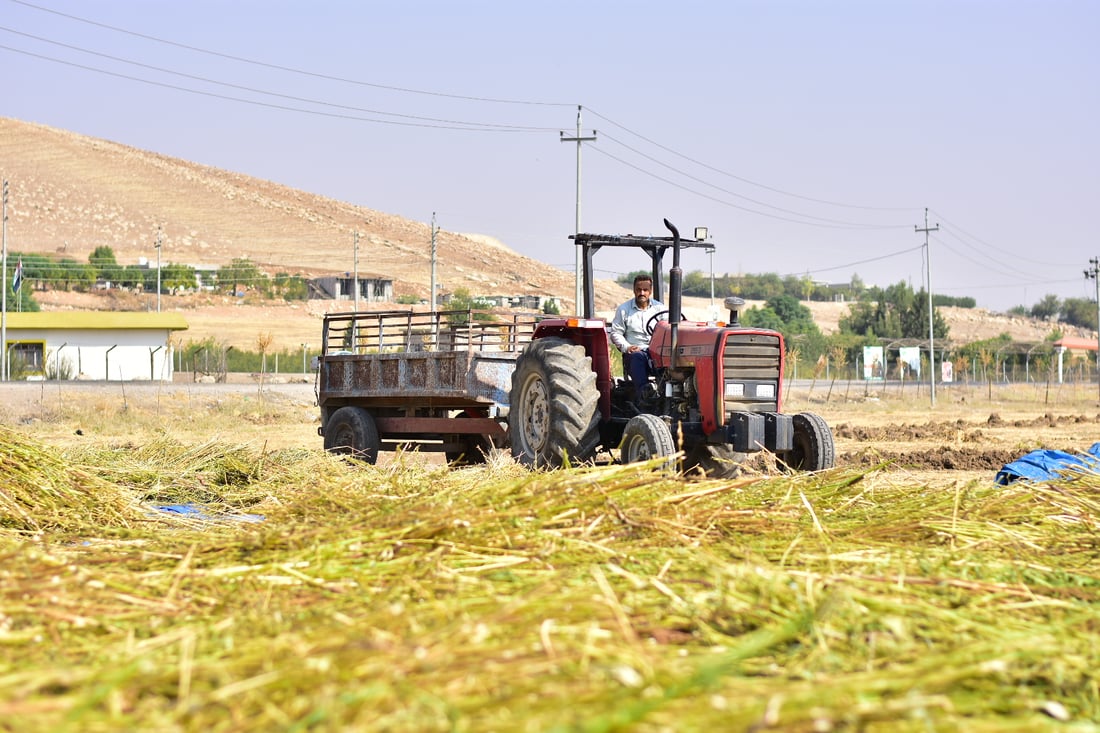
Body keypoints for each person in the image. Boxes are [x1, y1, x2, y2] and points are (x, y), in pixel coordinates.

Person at [609, 274, 665, 400]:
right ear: (634, 290)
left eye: (645, 290)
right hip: (636, 352)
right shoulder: (624, 310)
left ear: (650, 291)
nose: (642, 293)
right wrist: (627, 347)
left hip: (656, 352)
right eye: (639, 290)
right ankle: (644, 395)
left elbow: (668, 329)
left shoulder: (660, 309)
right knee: (637, 357)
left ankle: (672, 393)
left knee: (670, 358)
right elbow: (616, 333)